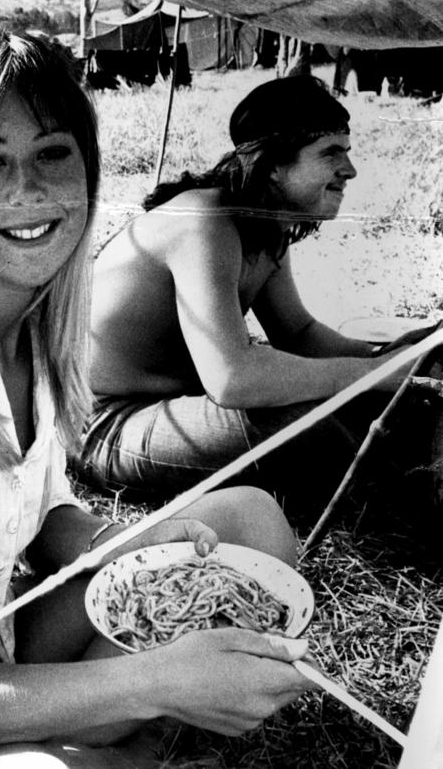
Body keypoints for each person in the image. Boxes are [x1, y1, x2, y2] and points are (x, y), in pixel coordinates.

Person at [0, 28, 313, 769]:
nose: (27, 190)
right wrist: (144, 681)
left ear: (89, 172)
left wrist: (126, 548)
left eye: (51, 154)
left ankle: (112, 733)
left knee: (248, 521)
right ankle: (115, 743)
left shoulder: (28, 318)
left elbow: (40, 517)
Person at [72, 75, 424, 512]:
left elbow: (298, 333)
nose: (349, 170)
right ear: (274, 164)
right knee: (313, 425)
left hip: (180, 405)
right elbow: (232, 378)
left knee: (370, 401)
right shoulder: (203, 221)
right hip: (110, 425)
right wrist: (369, 375)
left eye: (346, 152)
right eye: (331, 153)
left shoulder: (263, 223)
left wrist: (396, 360)